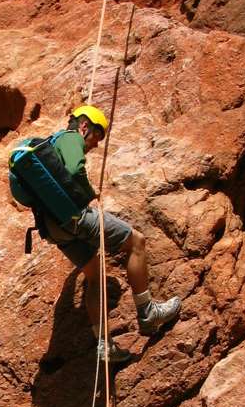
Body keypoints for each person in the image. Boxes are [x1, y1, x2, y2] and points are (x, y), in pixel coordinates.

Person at [38, 104, 181, 366]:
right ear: (84, 127)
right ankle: (148, 312)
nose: (95, 144)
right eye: (96, 136)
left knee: (95, 276)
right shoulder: (70, 138)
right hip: (75, 217)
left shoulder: (50, 146)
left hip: (55, 229)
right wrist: (89, 193)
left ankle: (105, 345)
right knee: (136, 242)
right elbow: (74, 169)